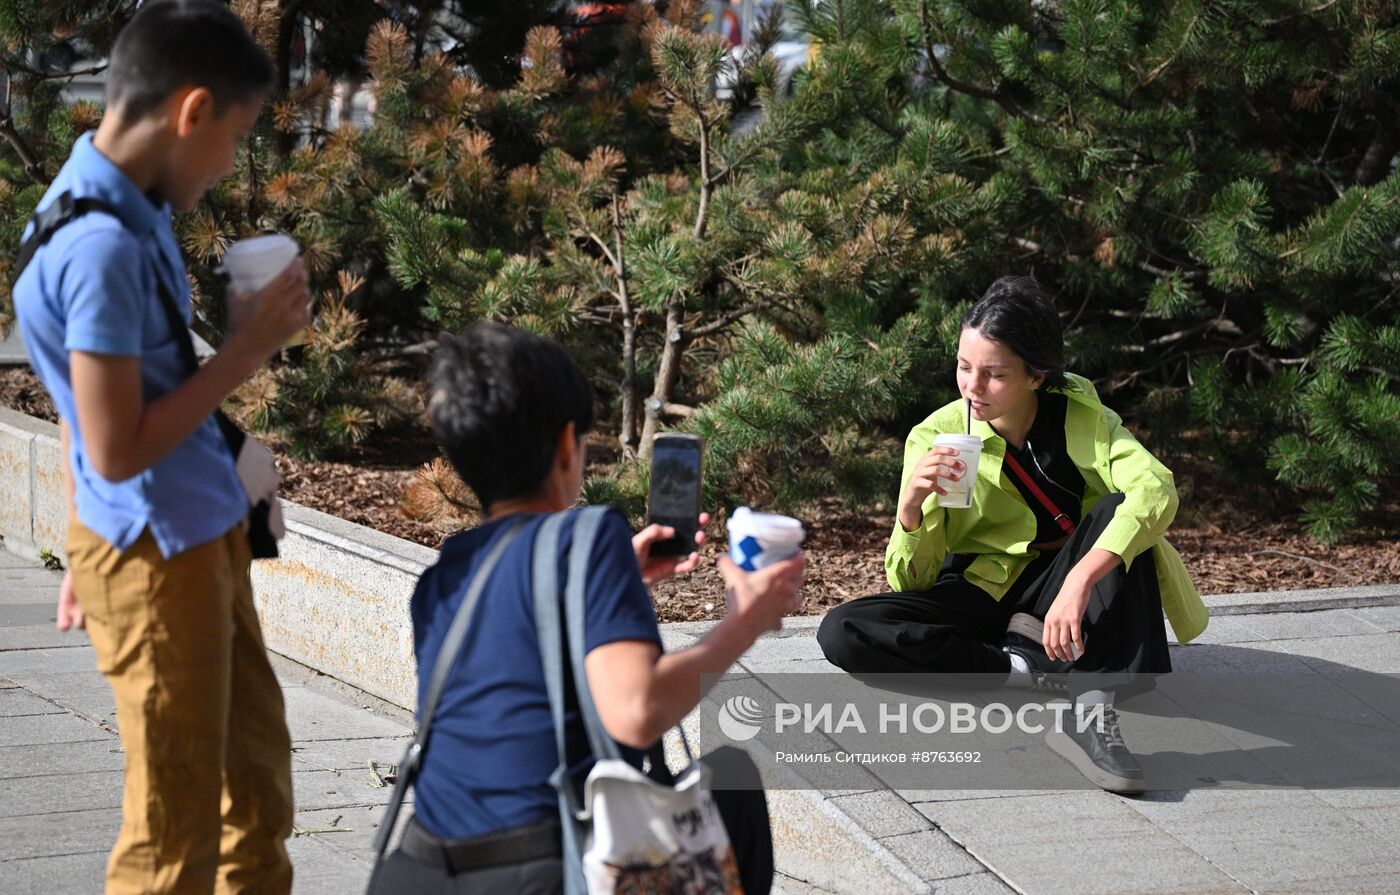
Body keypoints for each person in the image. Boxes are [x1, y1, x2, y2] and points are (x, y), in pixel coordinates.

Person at [11, 2, 311, 892]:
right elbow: (111, 445)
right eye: (234, 136)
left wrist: (79, 526)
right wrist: (248, 351)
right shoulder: (99, 246)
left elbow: (83, 411)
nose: (226, 166)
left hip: (192, 530)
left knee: (255, 790)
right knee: (171, 832)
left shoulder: (125, 201)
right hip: (152, 554)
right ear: (190, 112)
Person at [377, 322, 805, 893]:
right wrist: (743, 622)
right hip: (543, 870)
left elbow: (516, 673)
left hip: (420, 866)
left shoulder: (444, 573)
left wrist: (604, 584)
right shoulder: (588, 532)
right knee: (732, 784)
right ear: (564, 445)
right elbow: (636, 710)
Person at [817, 276, 1209, 794]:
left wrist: (1081, 580)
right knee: (845, 629)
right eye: (963, 367)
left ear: (1036, 375)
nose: (972, 387)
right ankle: (1021, 666)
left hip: (1068, 586)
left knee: (1121, 515)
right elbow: (911, 583)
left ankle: (1086, 714)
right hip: (985, 585)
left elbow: (1155, 491)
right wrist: (911, 512)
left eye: (994, 374)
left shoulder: (1083, 418)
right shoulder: (939, 436)